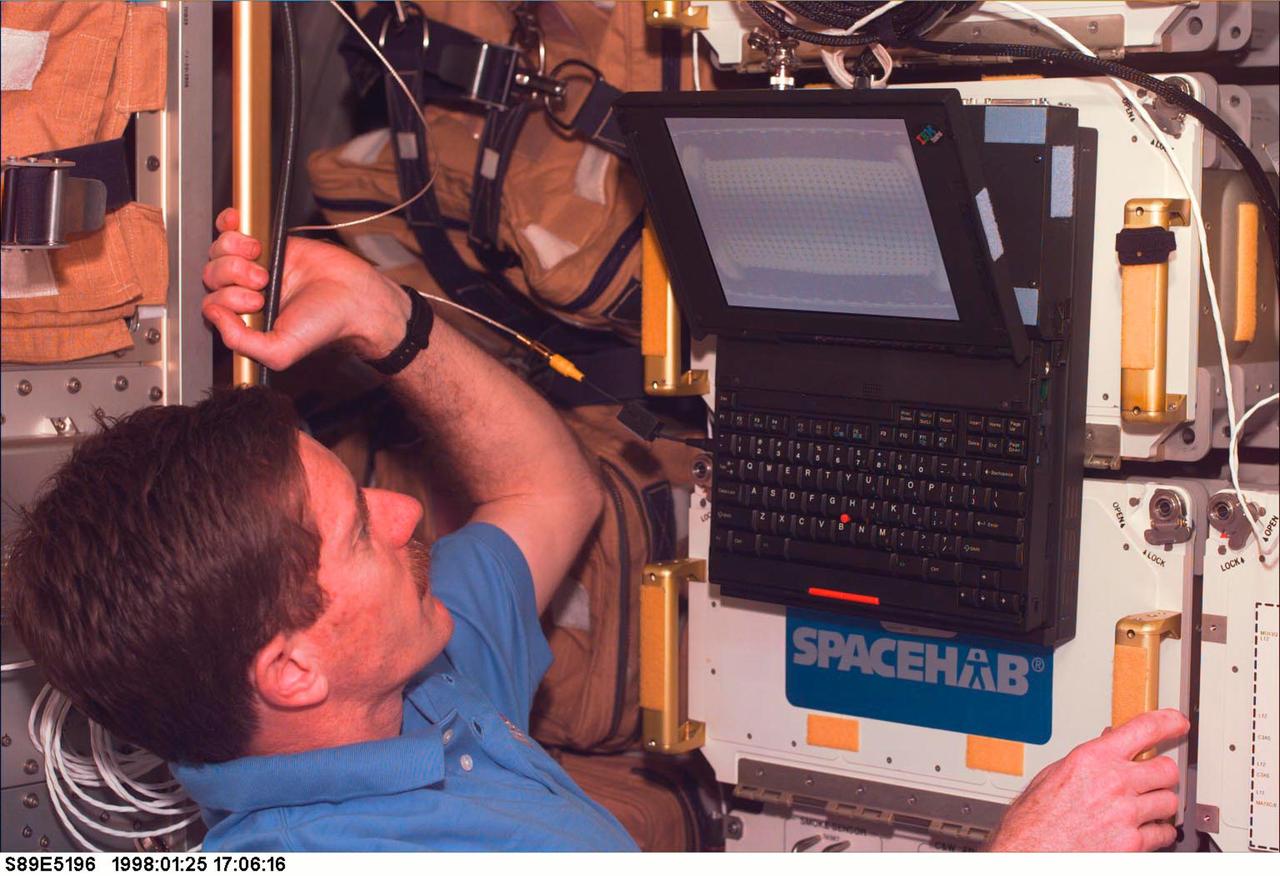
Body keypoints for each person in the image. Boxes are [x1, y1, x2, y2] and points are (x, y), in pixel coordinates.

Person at [4, 210, 1189, 852]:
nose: (407, 508)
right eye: (359, 532)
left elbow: (546, 496)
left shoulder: (405, 690)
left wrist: (393, 325)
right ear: (292, 666)